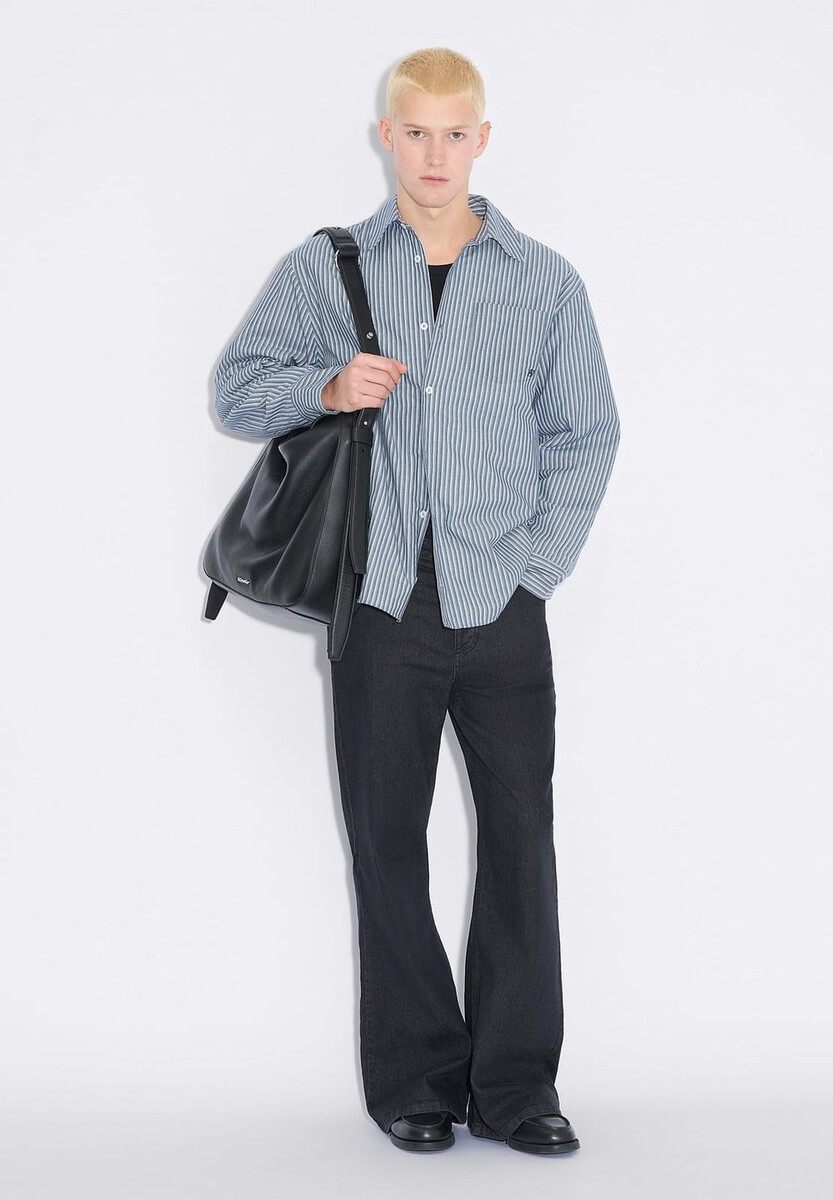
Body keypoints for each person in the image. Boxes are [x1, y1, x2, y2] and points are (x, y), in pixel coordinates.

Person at [214, 46, 621, 1155]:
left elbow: (588, 432)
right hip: (382, 601)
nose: (435, 155)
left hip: (503, 599)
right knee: (387, 843)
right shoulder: (328, 268)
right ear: (385, 136)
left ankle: (518, 1088)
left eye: (454, 134)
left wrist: (535, 569)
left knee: (522, 839)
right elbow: (237, 389)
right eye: (416, 132)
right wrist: (327, 385)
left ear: (481, 141)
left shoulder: (544, 280)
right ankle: (416, 1084)